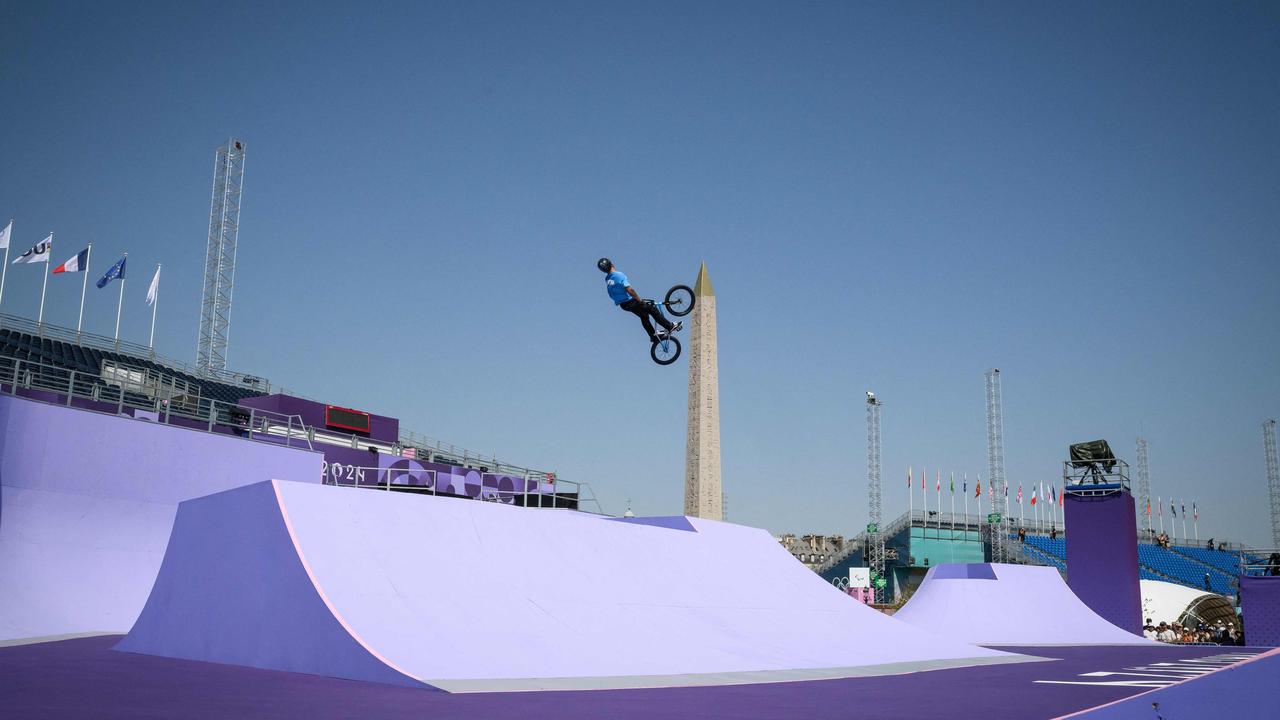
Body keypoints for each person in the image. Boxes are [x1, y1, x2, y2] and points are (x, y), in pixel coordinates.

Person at [598, 258, 679, 343]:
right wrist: (640, 301)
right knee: (653, 309)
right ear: (612, 264)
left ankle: (653, 336)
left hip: (623, 305)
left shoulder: (608, 279)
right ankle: (669, 326)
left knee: (644, 316)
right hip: (630, 301)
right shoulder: (619, 275)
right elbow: (630, 290)